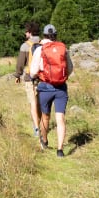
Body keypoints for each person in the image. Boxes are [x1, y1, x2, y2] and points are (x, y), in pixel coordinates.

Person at [30, 23, 74, 157]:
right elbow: (70, 68)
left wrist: (36, 76)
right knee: (60, 118)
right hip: (61, 88)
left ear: (44, 35)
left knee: (45, 116)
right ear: (55, 35)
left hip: (45, 87)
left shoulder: (40, 50)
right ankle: (60, 150)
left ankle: (44, 140)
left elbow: (33, 71)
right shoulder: (63, 49)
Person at [14, 21, 41, 136]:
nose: (25, 33)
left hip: (30, 78)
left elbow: (20, 63)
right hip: (43, 78)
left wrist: (18, 75)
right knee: (40, 102)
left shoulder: (25, 46)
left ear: (30, 32)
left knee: (33, 103)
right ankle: (42, 123)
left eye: (26, 31)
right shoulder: (43, 43)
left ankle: (37, 128)